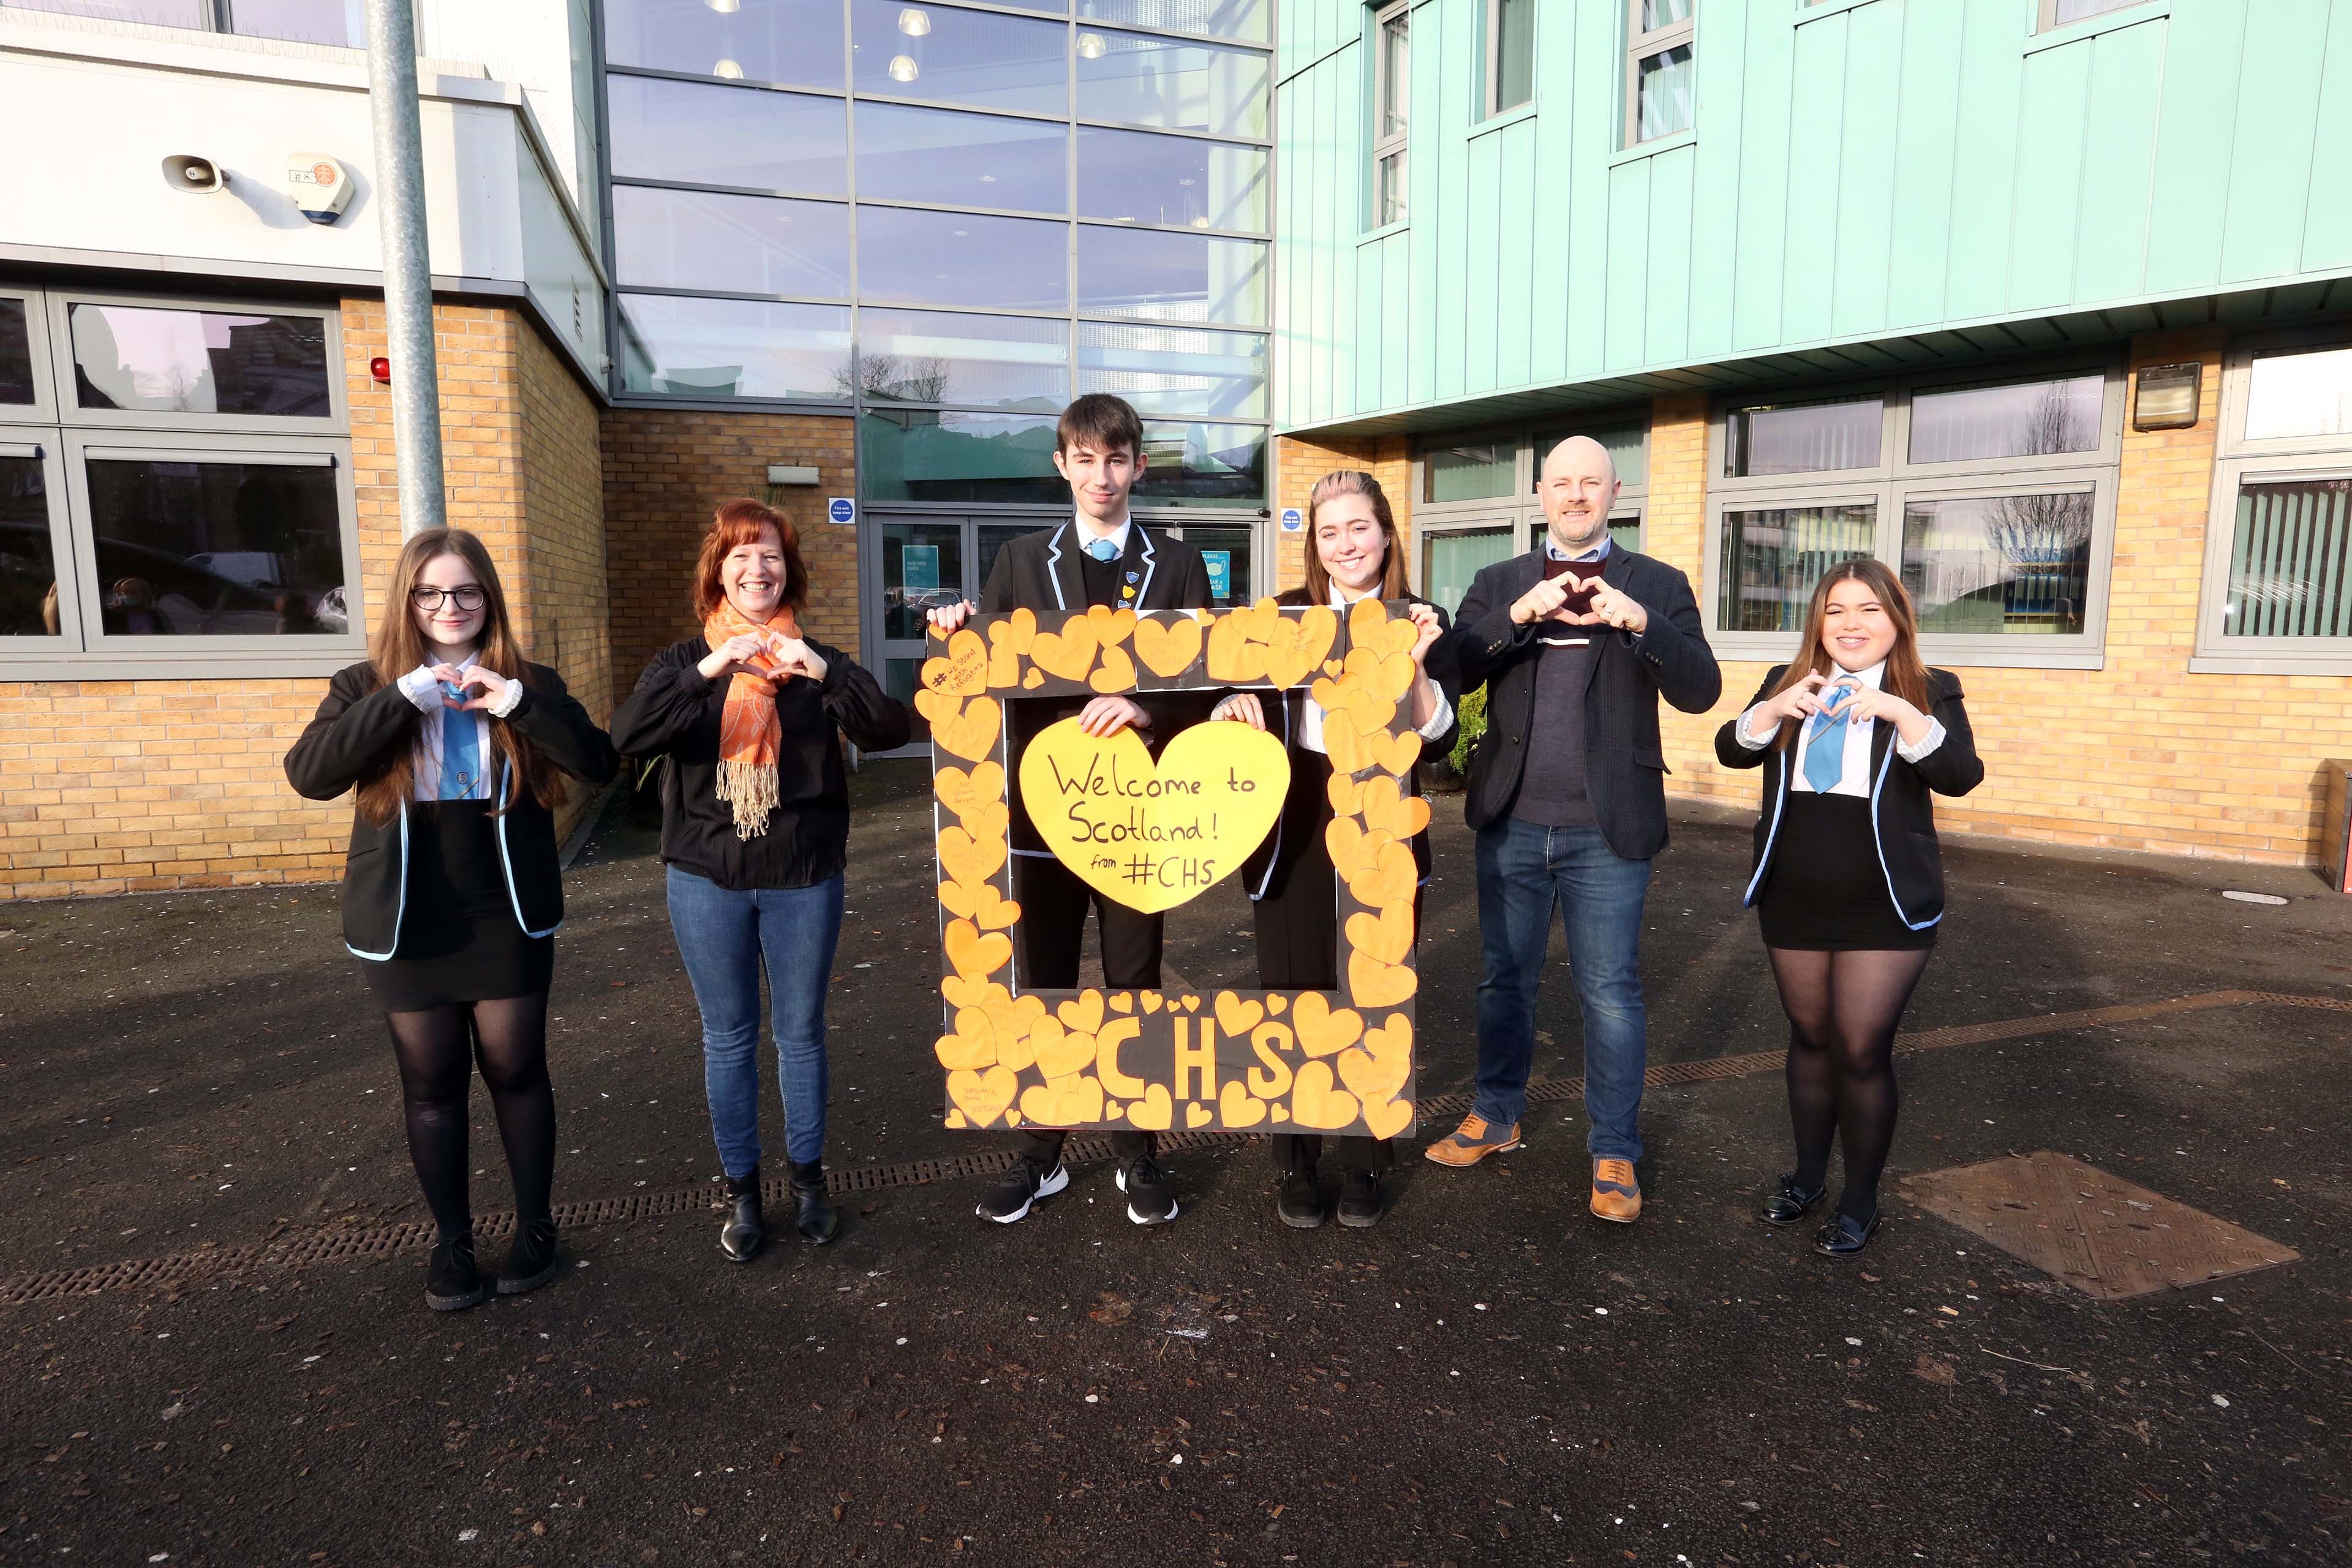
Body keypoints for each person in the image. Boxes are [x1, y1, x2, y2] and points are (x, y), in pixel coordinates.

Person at [285, 528, 617, 1312]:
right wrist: (402, 699)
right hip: (407, 908)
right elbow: (311, 774)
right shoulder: (362, 682)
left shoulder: (526, 680)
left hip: (502, 902)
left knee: (517, 1072)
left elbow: (599, 762)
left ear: (487, 598)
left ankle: (536, 1230)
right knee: (431, 1085)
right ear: (409, 600)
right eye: (431, 592)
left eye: (466, 591)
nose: (450, 606)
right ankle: (451, 1242)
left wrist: (516, 702)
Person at [927, 393, 1213, 1227]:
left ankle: (1137, 1155)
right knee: (1045, 986)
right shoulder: (1020, 562)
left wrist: (1148, 710)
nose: (1102, 476)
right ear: (1061, 465)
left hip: (1137, 815)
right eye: (1084, 460)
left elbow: (1207, 687)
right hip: (1042, 815)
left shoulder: (1179, 565)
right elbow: (988, 683)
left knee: (1135, 987)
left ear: (1139, 467)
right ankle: (1041, 1155)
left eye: (1117, 459)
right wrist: (957, 634)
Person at [1428, 435, 1721, 1226]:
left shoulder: (1657, 584)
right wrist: (1518, 615)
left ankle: (1614, 1148)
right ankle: (1496, 1113)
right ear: (1540, 493)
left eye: (1591, 481)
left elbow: (1701, 689)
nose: (1577, 494)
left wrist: (1640, 624)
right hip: (1514, 817)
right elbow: (1453, 669)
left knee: (1613, 994)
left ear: (1615, 491)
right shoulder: (1500, 581)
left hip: (1608, 827)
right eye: (1562, 482)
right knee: (1503, 979)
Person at [609, 499, 910, 1262]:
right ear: (718, 570)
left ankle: (809, 1181)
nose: (758, 568)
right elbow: (627, 734)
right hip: (707, 877)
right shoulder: (683, 663)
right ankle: (743, 1193)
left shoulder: (815, 661)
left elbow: (888, 729)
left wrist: (828, 670)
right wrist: (712, 668)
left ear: (790, 569)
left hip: (803, 876)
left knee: (801, 1034)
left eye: (771, 554)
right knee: (729, 1037)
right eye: (742, 555)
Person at [1714, 560, 1982, 1255]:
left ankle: (1861, 1198)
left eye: (1869, 610)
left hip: (1883, 901)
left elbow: (1960, 775)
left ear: (1897, 619)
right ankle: (1807, 1179)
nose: (1852, 624)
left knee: (1861, 1049)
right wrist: (1771, 710)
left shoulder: (1928, 689)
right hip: (1796, 892)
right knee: (1810, 1039)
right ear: (1818, 620)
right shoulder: (1788, 679)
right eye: (1836, 610)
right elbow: (1732, 750)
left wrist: (1900, 712)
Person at [1212, 470, 1457, 1229]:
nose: (1347, 543)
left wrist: (1414, 663)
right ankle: (1295, 1160)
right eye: (1330, 532)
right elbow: (1218, 698)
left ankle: (1364, 1163)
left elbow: (1440, 736)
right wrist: (1230, 707)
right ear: (1314, 546)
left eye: (1359, 527)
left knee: (1373, 995)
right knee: (1292, 995)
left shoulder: (1419, 617)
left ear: (1386, 532)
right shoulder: (1280, 617)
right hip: (1293, 821)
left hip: (1380, 823)